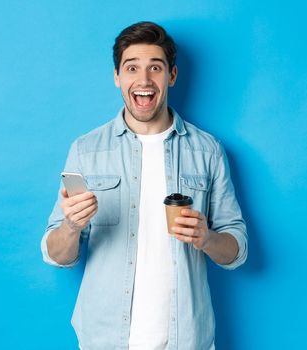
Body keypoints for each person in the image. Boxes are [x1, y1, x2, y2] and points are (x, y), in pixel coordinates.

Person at [40, 21, 247, 349]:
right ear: (117, 77)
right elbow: (56, 254)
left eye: (155, 67)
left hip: (188, 340)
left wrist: (206, 238)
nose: (144, 80)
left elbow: (237, 251)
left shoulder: (207, 150)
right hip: (104, 340)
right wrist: (70, 225)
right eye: (132, 67)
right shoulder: (86, 150)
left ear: (172, 76)